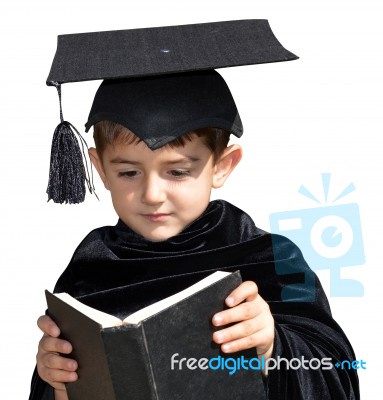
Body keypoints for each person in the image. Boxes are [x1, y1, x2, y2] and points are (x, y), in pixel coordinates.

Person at [29, 21, 359, 400]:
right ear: (99, 168)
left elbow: (336, 376)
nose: (152, 194)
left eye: (178, 171)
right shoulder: (90, 266)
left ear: (222, 166)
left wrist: (273, 347)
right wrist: (54, 380)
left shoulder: (273, 258)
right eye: (128, 172)